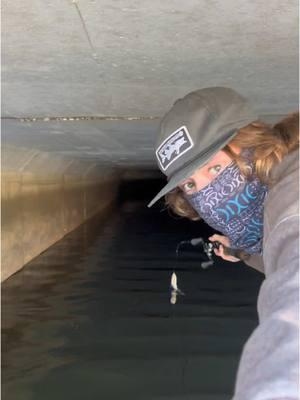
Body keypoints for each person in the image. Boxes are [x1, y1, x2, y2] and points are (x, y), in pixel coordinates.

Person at [147, 87, 299, 400]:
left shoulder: (293, 190)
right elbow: (278, 249)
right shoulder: (268, 204)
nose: (208, 195)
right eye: (190, 184)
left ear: (252, 144)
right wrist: (243, 249)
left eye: (215, 168)